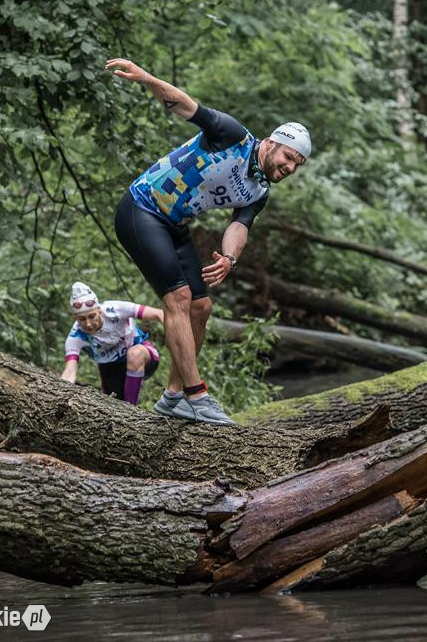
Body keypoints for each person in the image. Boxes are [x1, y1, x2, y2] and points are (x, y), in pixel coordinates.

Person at [106, 56, 311, 425]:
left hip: (174, 225)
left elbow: (240, 225)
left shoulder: (259, 190)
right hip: (142, 209)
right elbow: (186, 106)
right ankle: (197, 396)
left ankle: (172, 397)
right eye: (288, 157)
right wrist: (145, 77)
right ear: (270, 143)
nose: (290, 168)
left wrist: (229, 259)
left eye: (297, 165)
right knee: (179, 299)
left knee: (201, 308)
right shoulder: (233, 136)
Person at [60, 282, 164, 406]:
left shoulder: (115, 309)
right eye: (82, 319)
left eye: (92, 316)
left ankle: (132, 410)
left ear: (99, 310)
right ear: (75, 318)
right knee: (114, 408)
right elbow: (70, 371)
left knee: (135, 354)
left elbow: (160, 314)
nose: (88, 324)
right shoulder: (75, 336)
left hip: (144, 355)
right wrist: (60, 395)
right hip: (111, 369)